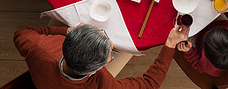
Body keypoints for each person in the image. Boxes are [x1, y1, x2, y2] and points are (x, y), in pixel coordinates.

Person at [14, 23, 189, 88]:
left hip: (45, 76)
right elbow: (150, 84)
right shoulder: (104, 85)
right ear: (94, 72)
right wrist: (170, 45)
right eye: (108, 56)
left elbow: (21, 33)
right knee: (128, 49)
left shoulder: (39, 47)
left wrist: (66, 30)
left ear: (65, 43)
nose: (111, 45)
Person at [177, 2, 228, 76]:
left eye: (207, 37)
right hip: (217, 20)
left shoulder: (209, 68)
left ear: (206, 55)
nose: (209, 31)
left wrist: (189, 51)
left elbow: (197, 64)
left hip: (197, 37)